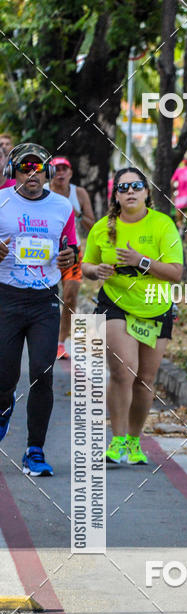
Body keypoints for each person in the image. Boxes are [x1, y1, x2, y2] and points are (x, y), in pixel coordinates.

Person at [81, 167, 183, 466]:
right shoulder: (103, 227)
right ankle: (118, 440)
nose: (130, 192)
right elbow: (87, 264)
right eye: (123, 188)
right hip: (115, 303)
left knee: (145, 379)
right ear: (116, 195)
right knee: (123, 371)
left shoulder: (163, 225)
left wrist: (142, 261)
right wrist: (95, 271)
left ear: (146, 192)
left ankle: (135, 441)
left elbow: (176, 273)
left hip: (155, 306)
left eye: (136, 186)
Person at [0, 143, 76, 476]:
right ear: (12, 171)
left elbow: (71, 251)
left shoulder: (62, 206)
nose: (32, 174)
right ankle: (4, 405)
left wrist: (70, 261)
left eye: (38, 167)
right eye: (24, 167)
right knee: (5, 377)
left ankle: (35, 450)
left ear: (46, 172)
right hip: (6, 298)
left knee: (42, 374)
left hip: (45, 299)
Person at [49, 156, 95, 359]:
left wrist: (76, 213)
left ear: (70, 173)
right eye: (56, 169)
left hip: (73, 252)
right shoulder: (42, 190)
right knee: (45, 298)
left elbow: (92, 224)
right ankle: (42, 338)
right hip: (44, 253)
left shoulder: (79, 193)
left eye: (64, 169)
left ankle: (60, 343)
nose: (60, 173)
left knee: (70, 297)